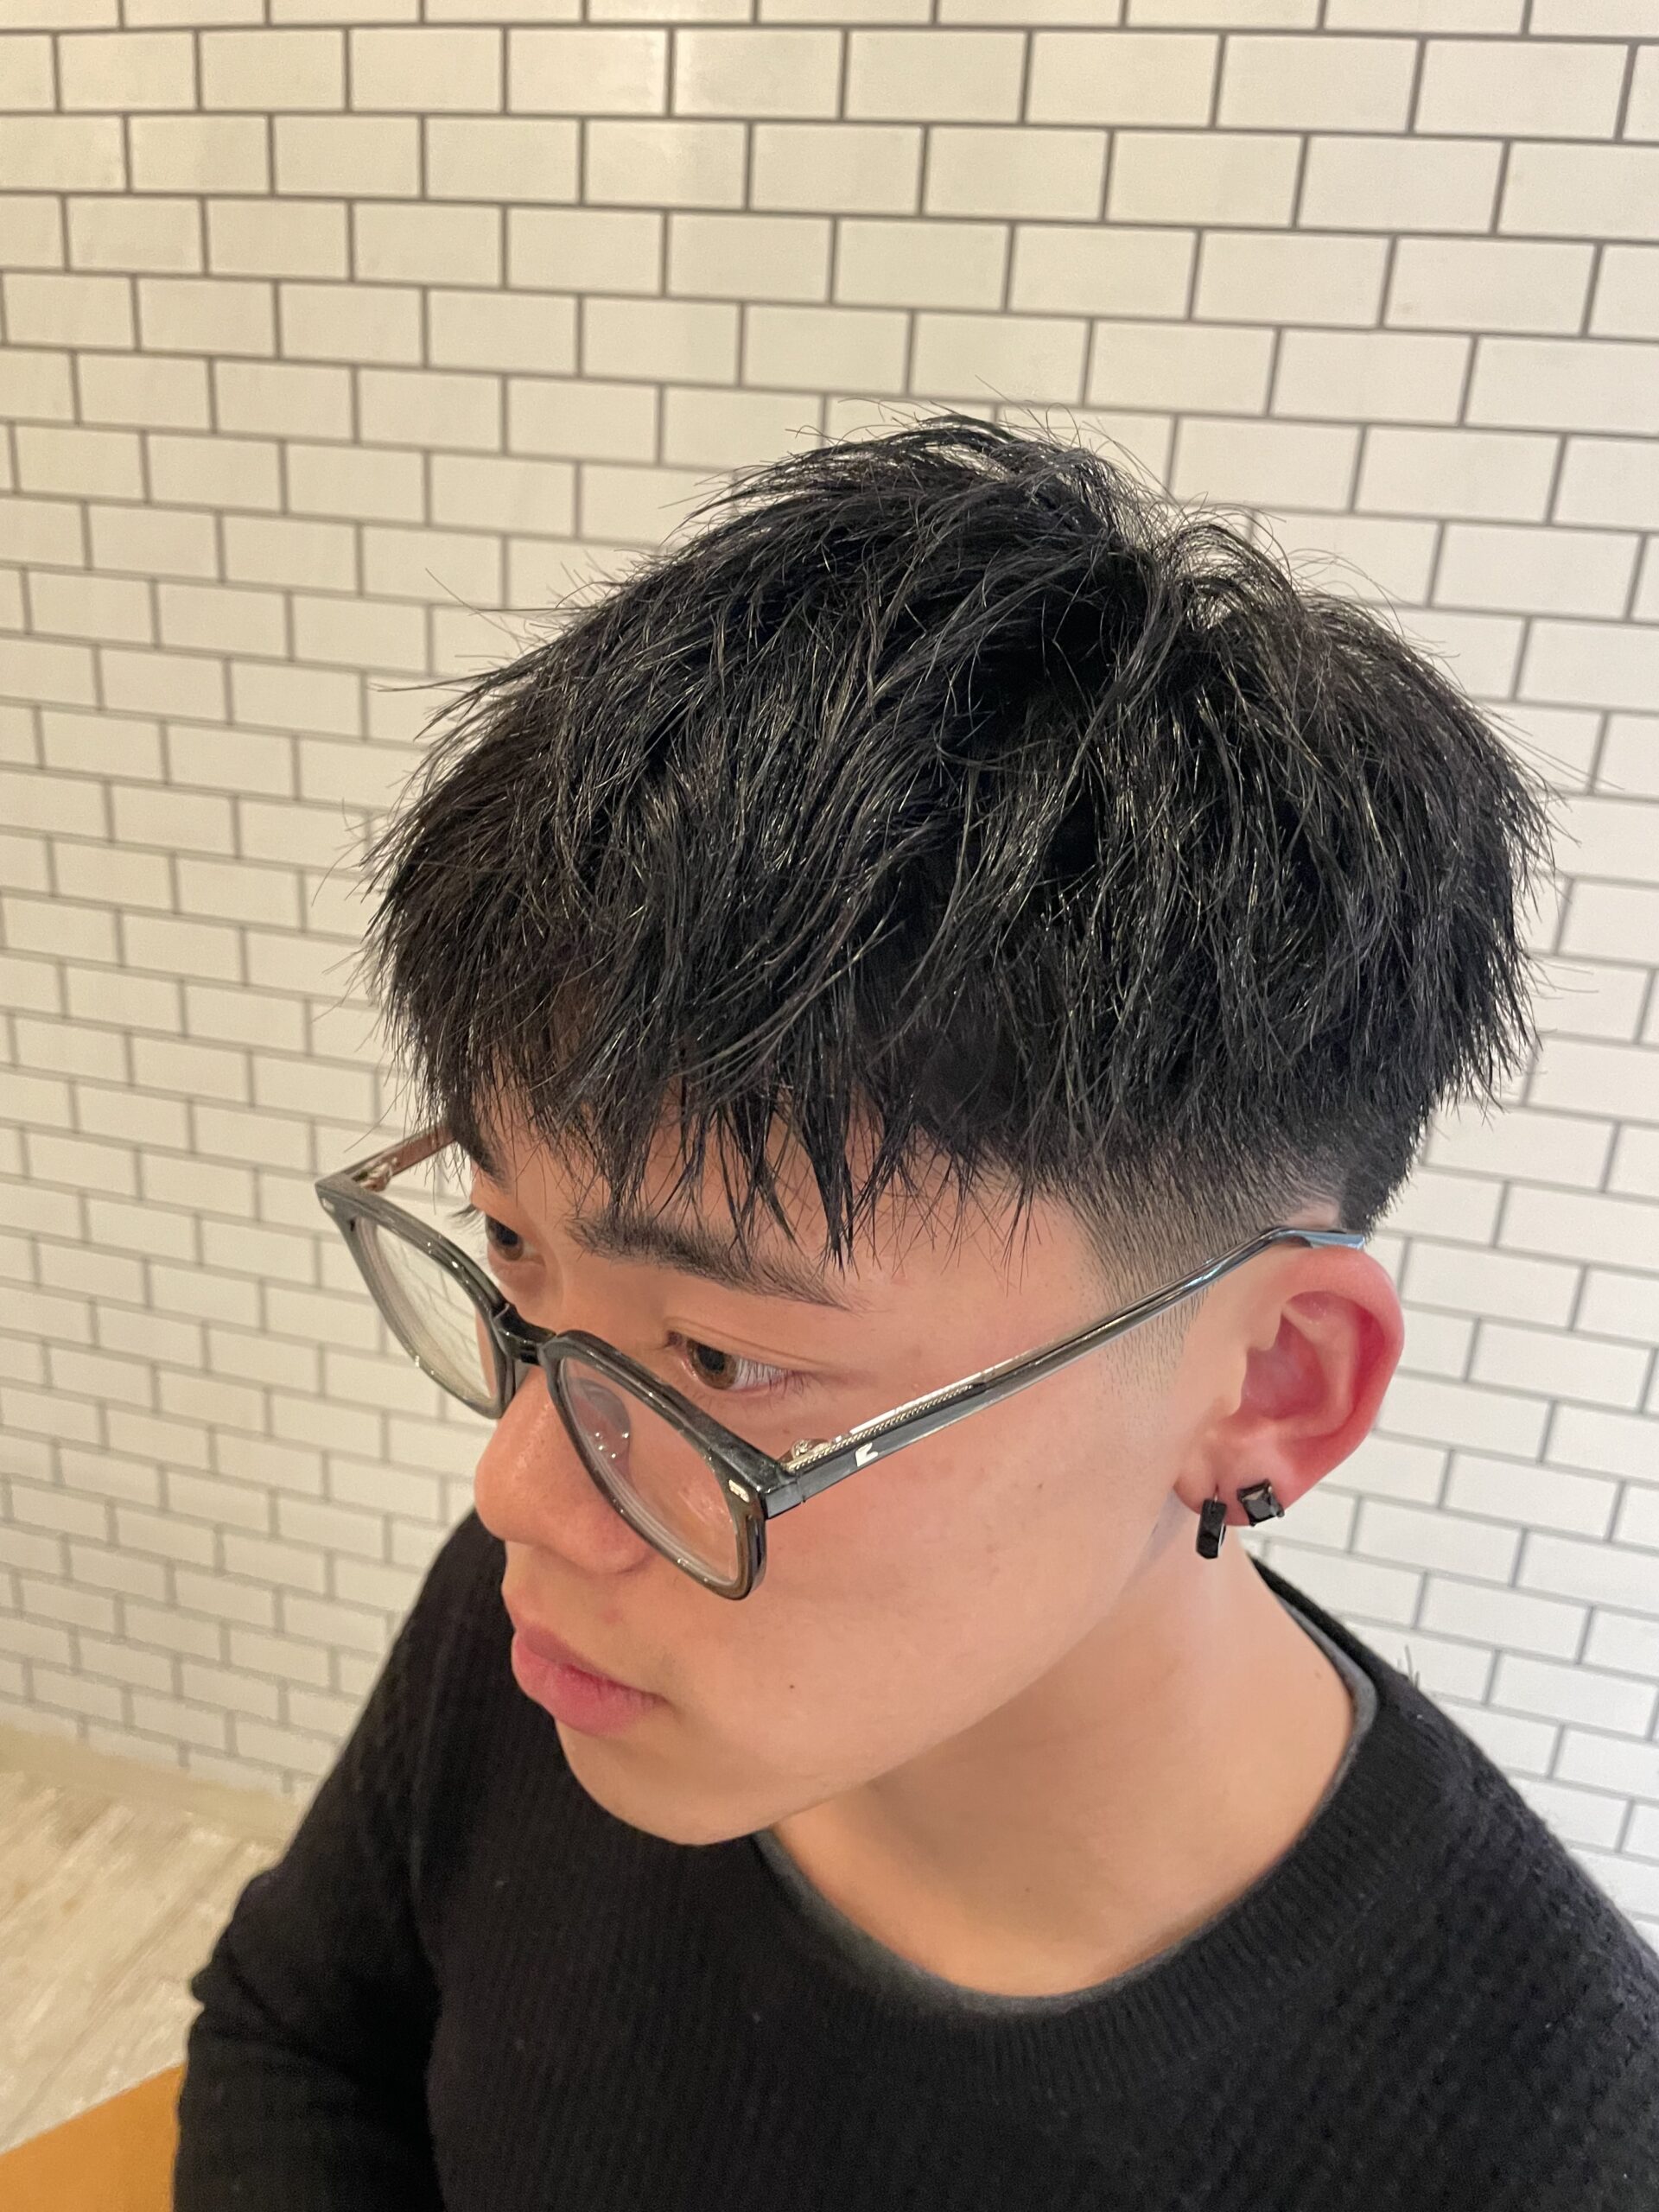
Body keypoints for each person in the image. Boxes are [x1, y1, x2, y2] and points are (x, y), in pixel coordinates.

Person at [172, 414, 1659, 2210]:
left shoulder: (1550, 2143)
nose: (521, 1492)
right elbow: (300, 2029)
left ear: (1270, 1382)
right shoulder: (570, 1614)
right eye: (509, 1246)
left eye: (725, 1357)